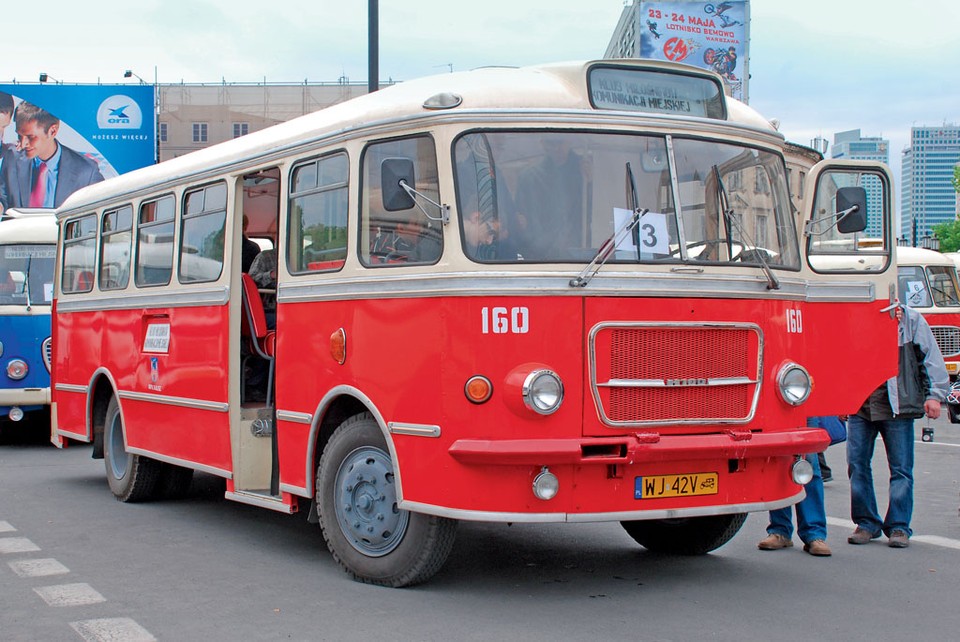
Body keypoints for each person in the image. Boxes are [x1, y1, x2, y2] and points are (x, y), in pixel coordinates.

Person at [847, 304, 948, 548]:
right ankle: (866, 523)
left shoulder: (910, 319)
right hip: (861, 405)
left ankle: (899, 526)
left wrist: (935, 395)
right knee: (856, 464)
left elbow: (931, 356)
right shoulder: (854, 318)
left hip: (898, 405)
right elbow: (844, 359)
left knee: (901, 469)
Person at [0, 101, 104, 211]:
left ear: (52, 131)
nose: (23, 143)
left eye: (30, 137)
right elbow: (3, 197)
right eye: (19, 135)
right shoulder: (12, 157)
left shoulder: (86, 172)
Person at [756, 417, 832, 557]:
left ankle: (814, 534)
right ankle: (780, 530)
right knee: (778, 465)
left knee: (809, 466)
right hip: (779, 407)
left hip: (805, 408)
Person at [248, 247, 277, 329]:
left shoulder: (306, 256)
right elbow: (252, 279)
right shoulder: (265, 256)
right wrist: (271, 275)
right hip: (269, 309)